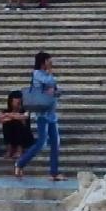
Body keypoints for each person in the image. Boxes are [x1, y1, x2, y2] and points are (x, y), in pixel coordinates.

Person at [19, 52, 63, 180]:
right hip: (42, 114)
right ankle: (20, 163)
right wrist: (50, 74)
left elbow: (54, 89)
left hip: (51, 113)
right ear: (43, 61)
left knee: (55, 142)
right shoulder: (37, 73)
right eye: (49, 60)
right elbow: (49, 82)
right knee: (42, 142)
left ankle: (54, 172)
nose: (51, 62)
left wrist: (55, 91)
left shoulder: (48, 74)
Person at [0, 91, 35, 179]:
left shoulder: (25, 110)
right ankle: (10, 148)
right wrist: (12, 115)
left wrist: (10, 116)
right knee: (7, 124)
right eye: (15, 101)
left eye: (18, 101)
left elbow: (24, 117)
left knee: (18, 122)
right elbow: (0, 119)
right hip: (12, 135)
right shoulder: (6, 111)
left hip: (25, 136)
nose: (16, 103)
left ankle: (19, 149)